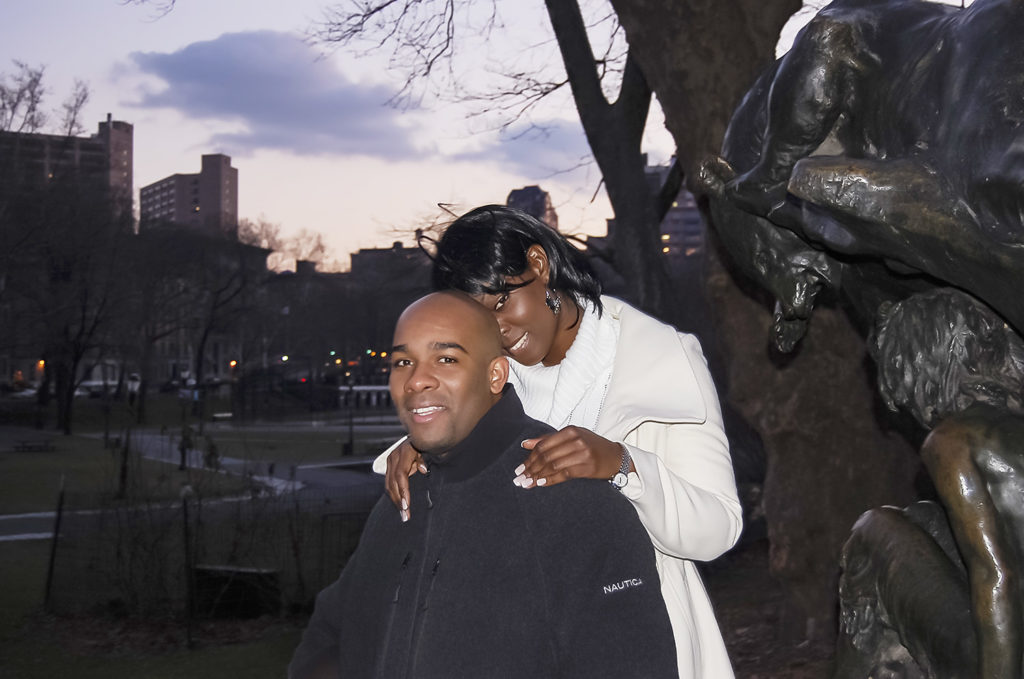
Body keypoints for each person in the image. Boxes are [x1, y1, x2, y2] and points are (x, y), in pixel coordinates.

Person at [377, 206, 742, 679]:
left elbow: (718, 529)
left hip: (637, 636)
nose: (498, 329)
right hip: (508, 637)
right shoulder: (491, 376)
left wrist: (624, 465)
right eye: (478, 318)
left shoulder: (658, 357)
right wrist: (430, 449)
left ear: (540, 264)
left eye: (502, 300)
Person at [289, 291, 680, 679]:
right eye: (403, 361)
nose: (417, 380)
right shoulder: (401, 495)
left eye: (446, 359)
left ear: (495, 374)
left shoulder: (575, 503)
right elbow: (331, 631)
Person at [836, 288, 1024, 679]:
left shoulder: (954, 441)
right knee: (923, 519)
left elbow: (998, 578)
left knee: (872, 531)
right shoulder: (1010, 424)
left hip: (1006, 655)